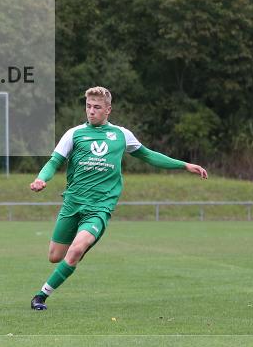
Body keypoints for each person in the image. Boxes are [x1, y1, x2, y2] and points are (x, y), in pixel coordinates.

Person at [29, 86, 208, 311]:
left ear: (108, 110)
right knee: (55, 256)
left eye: (97, 107)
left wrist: (184, 165)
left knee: (75, 251)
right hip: (73, 203)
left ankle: (40, 296)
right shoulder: (74, 134)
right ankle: (81, 247)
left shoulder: (122, 135)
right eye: (88, 106)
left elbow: (148, 155)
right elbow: (54, 161)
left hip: (99, 207)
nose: (91, 111)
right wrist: (41, 178)